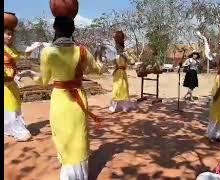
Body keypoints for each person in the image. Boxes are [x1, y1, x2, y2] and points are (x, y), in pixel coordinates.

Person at [34, 16, 103, 179]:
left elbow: (43, 81)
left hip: (60, 100)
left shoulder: (48, 52)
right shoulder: (82, 51)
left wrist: (31, 74)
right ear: (73, 30)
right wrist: (99, 55)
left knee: (63, 137)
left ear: (55, 29)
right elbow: (98, 69)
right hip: (78, 99)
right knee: (79, 136)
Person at [4, 12, 42, 142]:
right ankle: (18, 131)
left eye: (11, 34)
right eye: (7, 34)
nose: (10, 36)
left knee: (16, 105)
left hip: (12, 81)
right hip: (5, 83)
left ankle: (11, 128)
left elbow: (26, 50)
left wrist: (36, 45)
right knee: (11, 105)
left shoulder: (13, 48)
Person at [109, 31, 137, 113]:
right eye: (116, 46)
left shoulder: (124, 54)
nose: (117, 47)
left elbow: (132, 62)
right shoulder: (116, 55)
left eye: (118, 46)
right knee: (116, 89)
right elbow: (114, 64)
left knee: (123, 89)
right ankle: (114, 107)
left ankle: (125, 107)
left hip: (122, 73)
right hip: (117, 74)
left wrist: (126, 56)